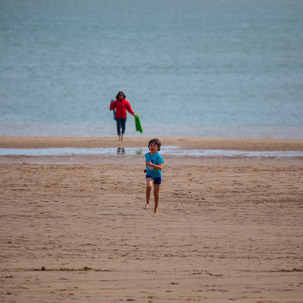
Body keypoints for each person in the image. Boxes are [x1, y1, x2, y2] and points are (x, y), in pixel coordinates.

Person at [143, 138, 164, 216]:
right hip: (149, 174)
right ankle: (147, 202)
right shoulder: (147, 155)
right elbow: (147, 161)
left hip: (157, 176)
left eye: (154, 145)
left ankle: (156, 208)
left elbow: (161, 168)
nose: (152, 147)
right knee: (148, 186)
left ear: (158, 148)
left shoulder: (158, 156)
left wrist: (152, 165)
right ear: (148, 147)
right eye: (151, 145)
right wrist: (146, 168)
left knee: (156, 193)